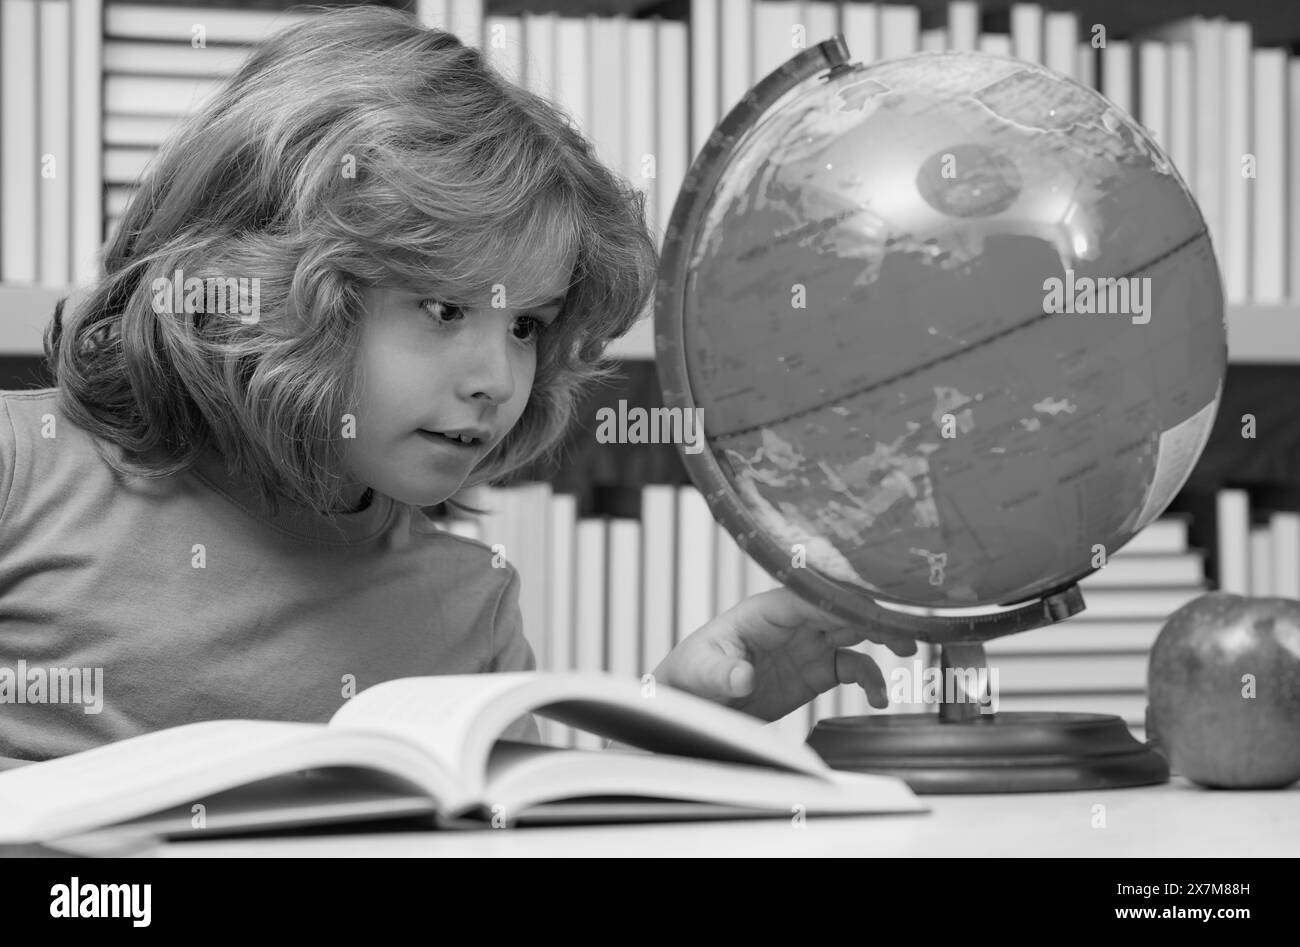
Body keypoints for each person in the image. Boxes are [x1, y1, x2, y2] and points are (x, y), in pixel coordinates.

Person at [0, 5, 911, 763]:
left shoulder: (469, 602)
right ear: (266, 288)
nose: (497, 378)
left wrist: (678, 727)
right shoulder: (21, 472)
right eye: (441, 309)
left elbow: (501, 826)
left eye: (526, 324)